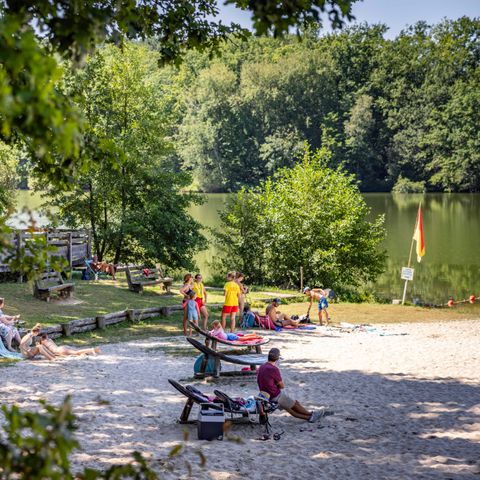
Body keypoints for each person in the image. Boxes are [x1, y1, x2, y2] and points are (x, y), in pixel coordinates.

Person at [257, 348, 327, 422]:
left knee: (290, 409)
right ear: (277, 358)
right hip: (275, 395)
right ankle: (311, 415)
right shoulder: (274, 369)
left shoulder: (262, 366)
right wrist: (276, 385)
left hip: (264, 395)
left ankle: (309, 417)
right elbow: (281, 386)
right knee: (295, 404)